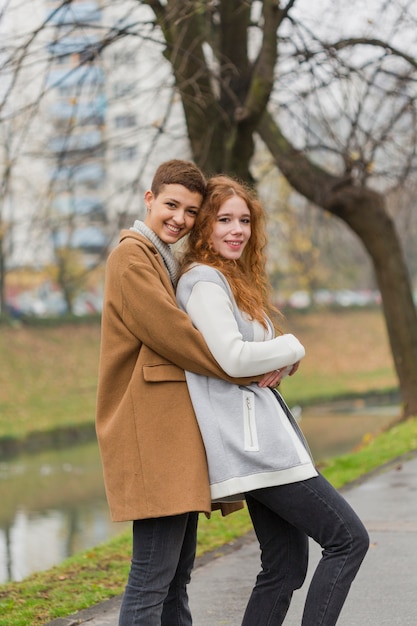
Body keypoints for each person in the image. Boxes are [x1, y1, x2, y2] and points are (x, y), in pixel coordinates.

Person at [176, 174, 369, 626]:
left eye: (244, 220)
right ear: (203, 226)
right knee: (347, 540)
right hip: (257, 449)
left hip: (261, 443)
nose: (236, 229)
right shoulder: (204, 282)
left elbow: (251, 357)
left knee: (283, 567)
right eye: (224, 219)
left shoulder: (230, 278)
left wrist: (279, 358)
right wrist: (293, 346)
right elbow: (234, 356)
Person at [95, 160, 282, 626]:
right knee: (152, 580)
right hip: (153, 437)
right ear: (149, 199)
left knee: (176, 579)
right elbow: (174, 334)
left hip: (173, 438)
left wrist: (269, 352)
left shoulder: (166, 256)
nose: (179, 217)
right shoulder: (132, 255)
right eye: (171, 205)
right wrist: (241, 367)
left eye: (190, 211)